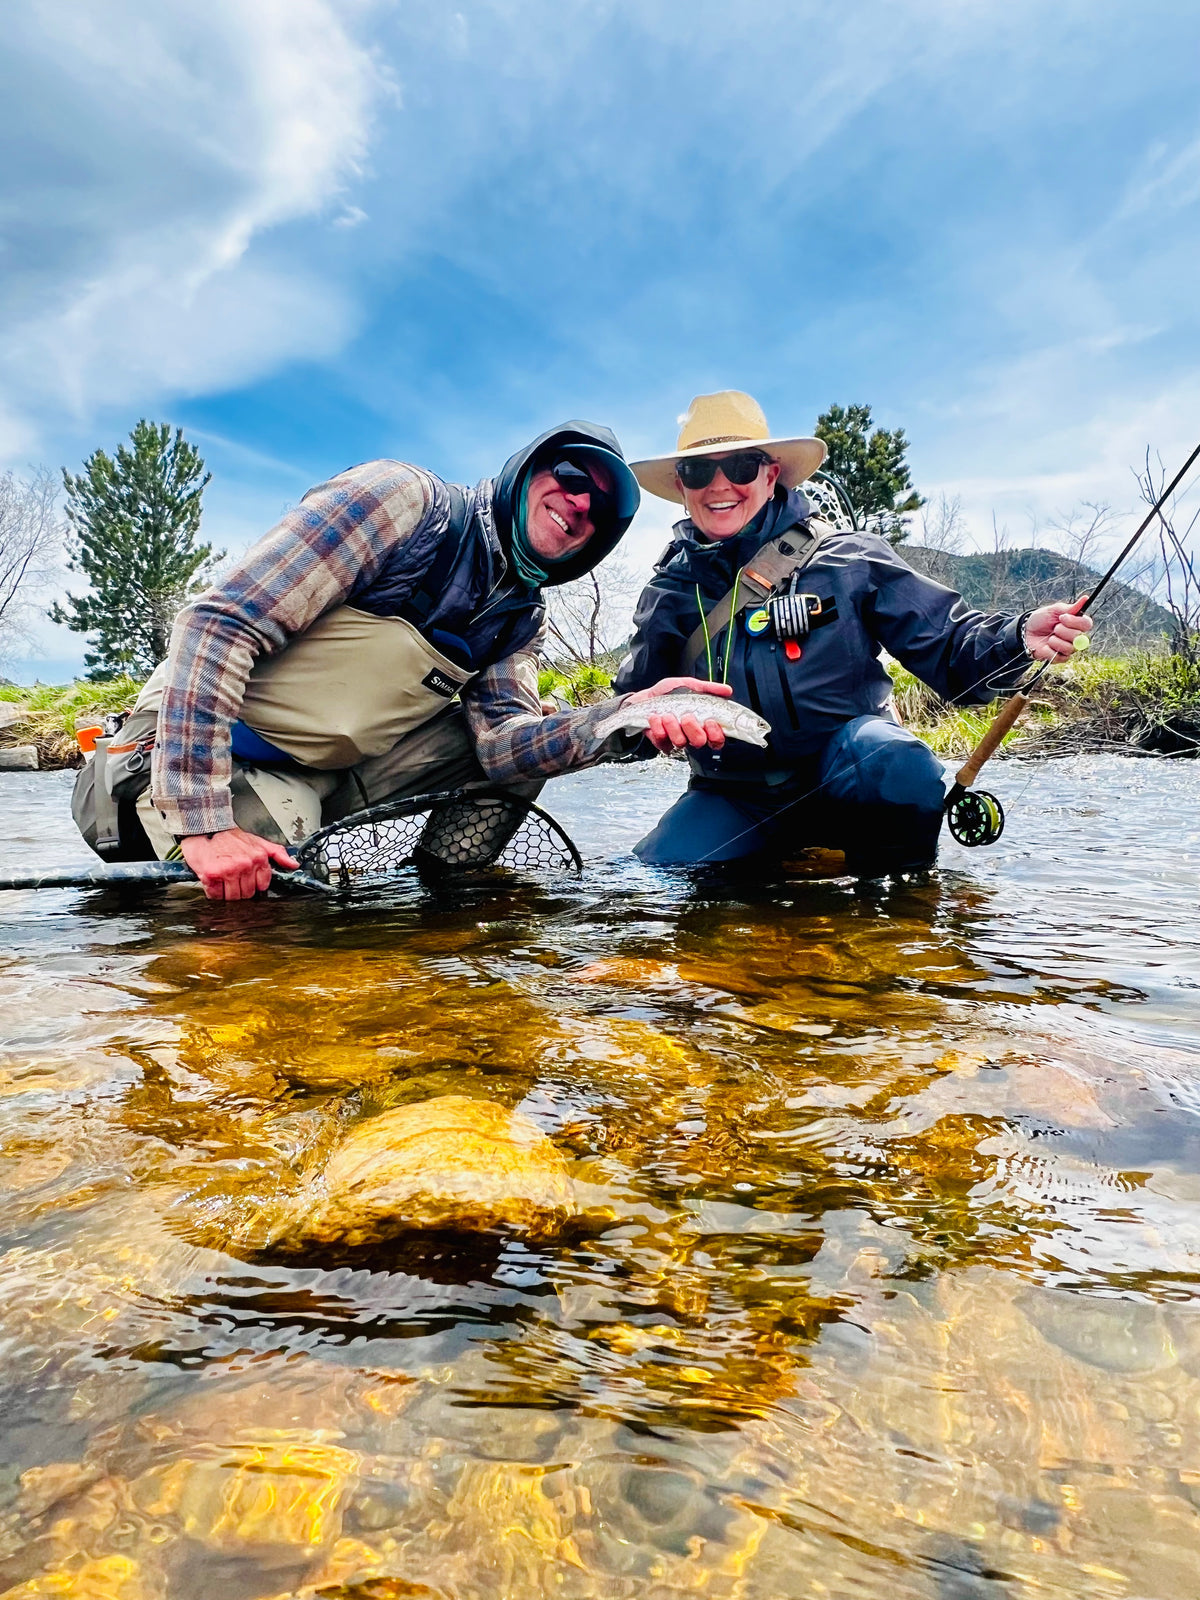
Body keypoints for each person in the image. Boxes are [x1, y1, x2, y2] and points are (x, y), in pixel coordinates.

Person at [74, 420, 728, 899]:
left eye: (603, 508)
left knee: (512, 755)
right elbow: (216, 625)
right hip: (189, 754)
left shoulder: (520, 615)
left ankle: (441, 910)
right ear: (527, 470)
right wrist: (203, 823)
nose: (583, 503)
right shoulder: (402, 504)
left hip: (325, 773)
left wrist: (622, 718)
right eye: (572, 478)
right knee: (268, 931)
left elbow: (504, 748)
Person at [612, 390, 1093, 876]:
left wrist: (1016, 639)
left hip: (848, 773)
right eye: (699, 470)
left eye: (740, 465)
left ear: (770, 473)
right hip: (732, 795)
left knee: (896, 765)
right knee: (659, 873)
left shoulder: (850, 558)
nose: (720, 485)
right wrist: (632, 724)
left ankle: (899, 920)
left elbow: (949, 646)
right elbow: (629, 713)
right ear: (681, 483)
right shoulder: (669, 592)